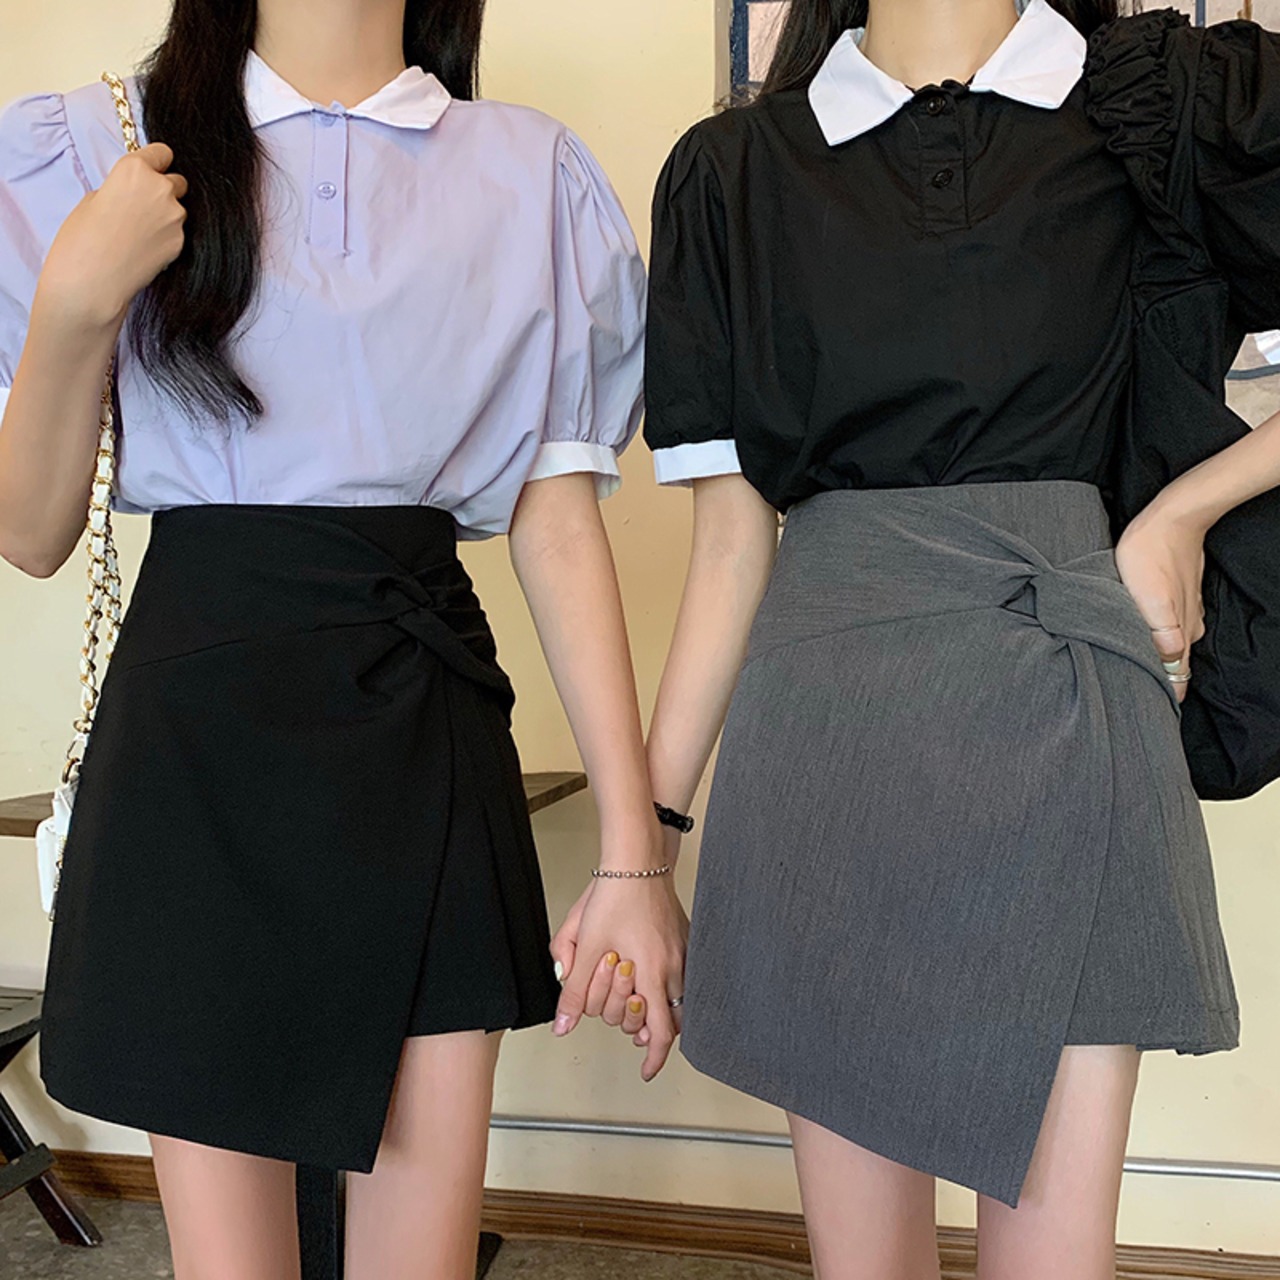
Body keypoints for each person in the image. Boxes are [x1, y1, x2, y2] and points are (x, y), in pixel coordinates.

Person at [0, 1, 686, 1276]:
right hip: (195, 751)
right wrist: (75, 302)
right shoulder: (95, 145)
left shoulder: (527, 171)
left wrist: (634, 852)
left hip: (420, 725)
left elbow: (556, 521)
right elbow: (31, 532)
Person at [642, 0, 1280, 1276]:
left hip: (1068, 706)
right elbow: (729, 544)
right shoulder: (733, 170)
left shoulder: (1161, 110)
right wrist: (641, 842)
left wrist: (1180, 511)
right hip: (827, 737)